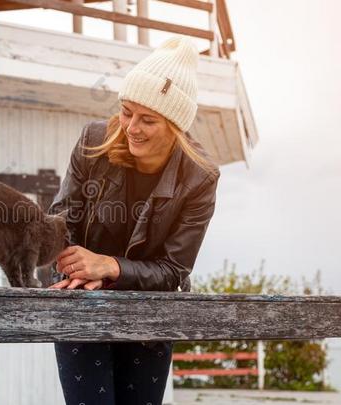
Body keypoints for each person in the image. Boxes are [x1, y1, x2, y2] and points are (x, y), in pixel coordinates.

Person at [46, 35, 221, 405]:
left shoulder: (200, 176)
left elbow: (174, 269)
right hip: (81, 299)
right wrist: (76, 268)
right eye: (126, 111)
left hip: (151, 312)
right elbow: (60, 225)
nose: (130, 128)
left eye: (148, 119)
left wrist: (109, 266)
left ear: (175, 126)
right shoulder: (93, 140)